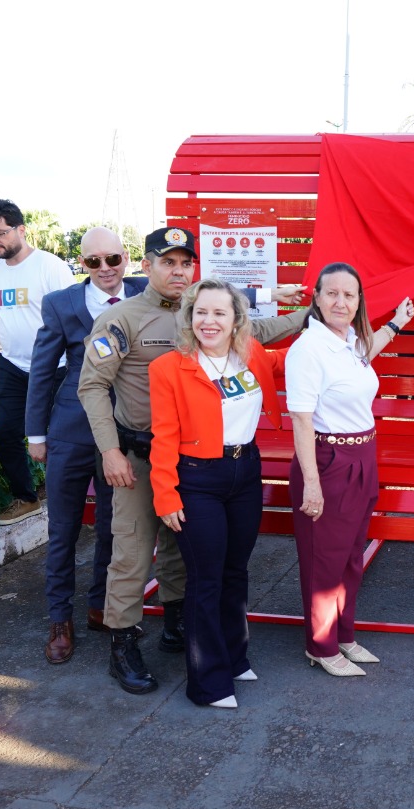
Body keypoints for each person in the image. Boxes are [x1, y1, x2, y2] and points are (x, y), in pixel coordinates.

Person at [79, 227, 307, 694]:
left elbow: (260, 329)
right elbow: (92, 386)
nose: (178, 270)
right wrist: (109, 451)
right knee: (133, 550)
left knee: (185, 551)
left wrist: (323, 308)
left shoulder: (200, 313)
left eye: (186, 263)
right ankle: (122, 644)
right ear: (147, 266)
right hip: (141, 457)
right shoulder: (123, 318)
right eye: (168, 262)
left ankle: (179, 626)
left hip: (197, 460)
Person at [150, 279, 285, 708]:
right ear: (189, 317)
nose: (209, 321)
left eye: (219, 313)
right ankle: (207, 683)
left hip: (245, 471)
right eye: (201, 312)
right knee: (205, 579)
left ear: (236, 320)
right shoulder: (169, 368)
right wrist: (166, 495)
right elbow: (163, 436)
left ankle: (234, 656)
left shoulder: (253, 356)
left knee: (236, 571)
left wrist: (372, 328)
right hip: (196, 479)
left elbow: (305, 358)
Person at [286, 262, 414, 677]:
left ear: (359, 301)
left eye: (350, 295)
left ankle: (343, 635)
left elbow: (365, 355)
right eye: (333, 293)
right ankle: (320, 647)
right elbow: (302, 420)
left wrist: (397, 323)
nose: (341, 301)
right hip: (328, 461)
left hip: (363, 455)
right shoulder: (308, 349)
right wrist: (312, 484)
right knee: (324, 561)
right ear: (317, 299)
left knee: (349, 559)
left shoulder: (348, 342)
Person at [25, 227, 146, 664]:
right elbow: (42, 369)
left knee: (117, 526)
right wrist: (35, 434)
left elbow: (206, 298)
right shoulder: (61, 304)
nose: (105, 269)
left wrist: (268, 291)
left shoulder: (146, 291)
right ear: (82, 264)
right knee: (64, 529)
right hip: (72, 430)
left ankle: (101, 605)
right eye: (93, 262)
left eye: (112, 259)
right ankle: (60, 618)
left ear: (126, 258)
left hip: (125, 430)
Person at [0, 199, 76, 526]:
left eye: (1, 232)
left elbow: (73, 319)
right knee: (6, 435)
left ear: (21, 229)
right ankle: (26, 498)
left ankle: (76, 496)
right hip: (10, 368)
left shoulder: (51, 267)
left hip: (54, 369)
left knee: (61, 438)